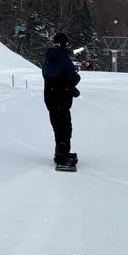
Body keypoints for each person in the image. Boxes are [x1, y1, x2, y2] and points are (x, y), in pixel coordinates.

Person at [42, 30, 81, 169]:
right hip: (62, 99)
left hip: (50, 98)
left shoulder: (47, 59)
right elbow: (74, 79)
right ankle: (62, 158)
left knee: (58, 127)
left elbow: (49, 77)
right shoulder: (65, 61)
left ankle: (60, 153)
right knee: (65, 128)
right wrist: (73, 80)